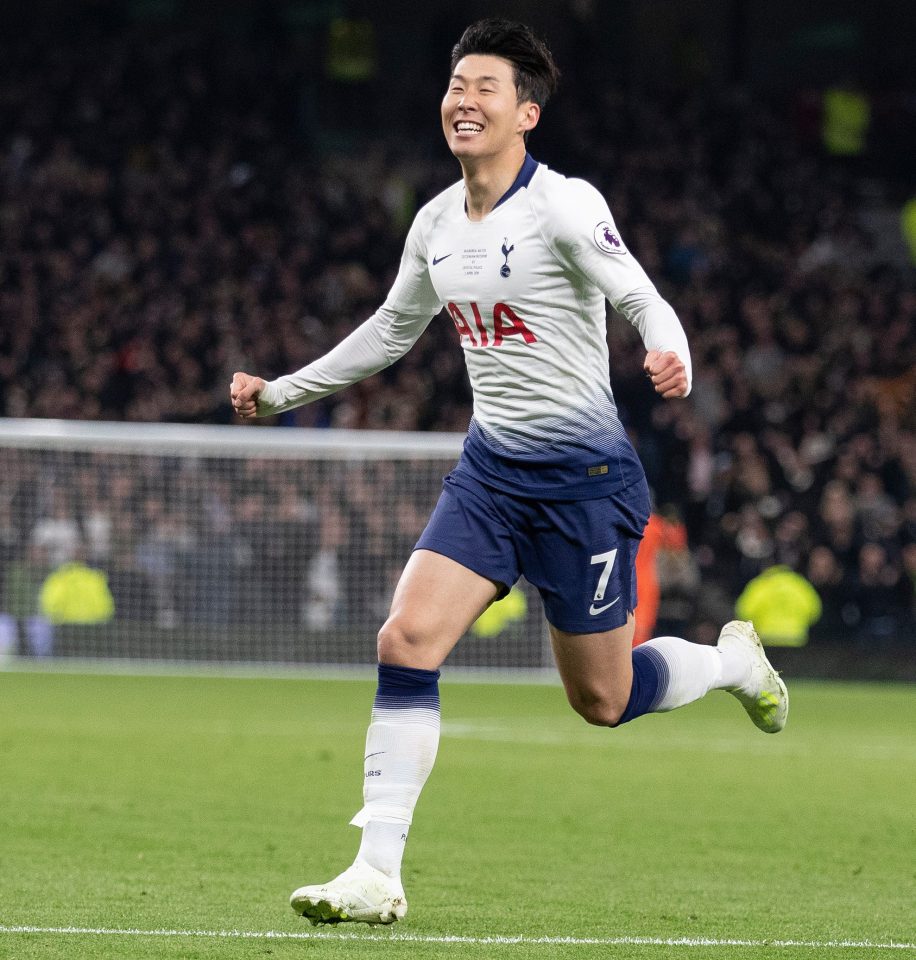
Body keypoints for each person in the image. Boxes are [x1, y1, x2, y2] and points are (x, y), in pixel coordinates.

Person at [230, 19, 788, 926]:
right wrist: (282, 393)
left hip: (585, 486)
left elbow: (641, 293)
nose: (464, 100)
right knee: (404, 641)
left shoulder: (563, 204)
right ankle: (377, 872)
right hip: (491, 475)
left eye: (485, 87)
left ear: (525, 112)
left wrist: (667, 347)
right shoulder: (435, 224)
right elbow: (389, 331)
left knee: (602, 702)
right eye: (455, 85)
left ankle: (728, 663)